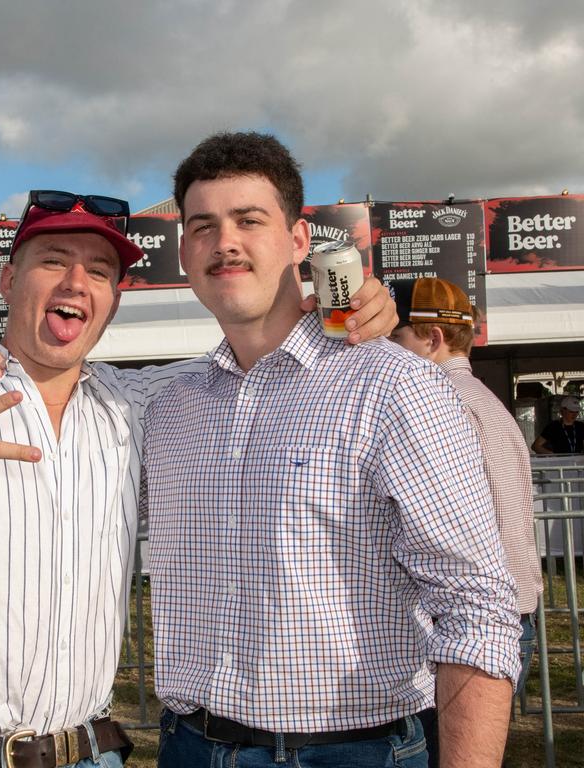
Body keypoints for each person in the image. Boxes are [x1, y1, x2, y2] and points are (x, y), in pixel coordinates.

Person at [0, 181, 395, 768]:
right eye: (54, 261)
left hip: (92, 754)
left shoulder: (138, 405)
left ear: (113, 301)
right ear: (7, 282)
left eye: (100, 271)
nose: (75, 283)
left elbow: (255, 359)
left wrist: (357, 309)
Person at [141, 132, 521, 768]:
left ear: (297, 242)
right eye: (202, 226)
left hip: (353, 751)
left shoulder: (392, 383)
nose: (224, 242)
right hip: (191, 745)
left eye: (248, 220)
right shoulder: (169, 402)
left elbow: (476, 606)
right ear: (183, 251)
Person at [389, 277, 544, 766]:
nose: (383, 353)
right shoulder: (485, 401)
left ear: (432, 339)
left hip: (468, 625)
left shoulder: (439, 403)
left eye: (396, 339)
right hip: (509, 614)